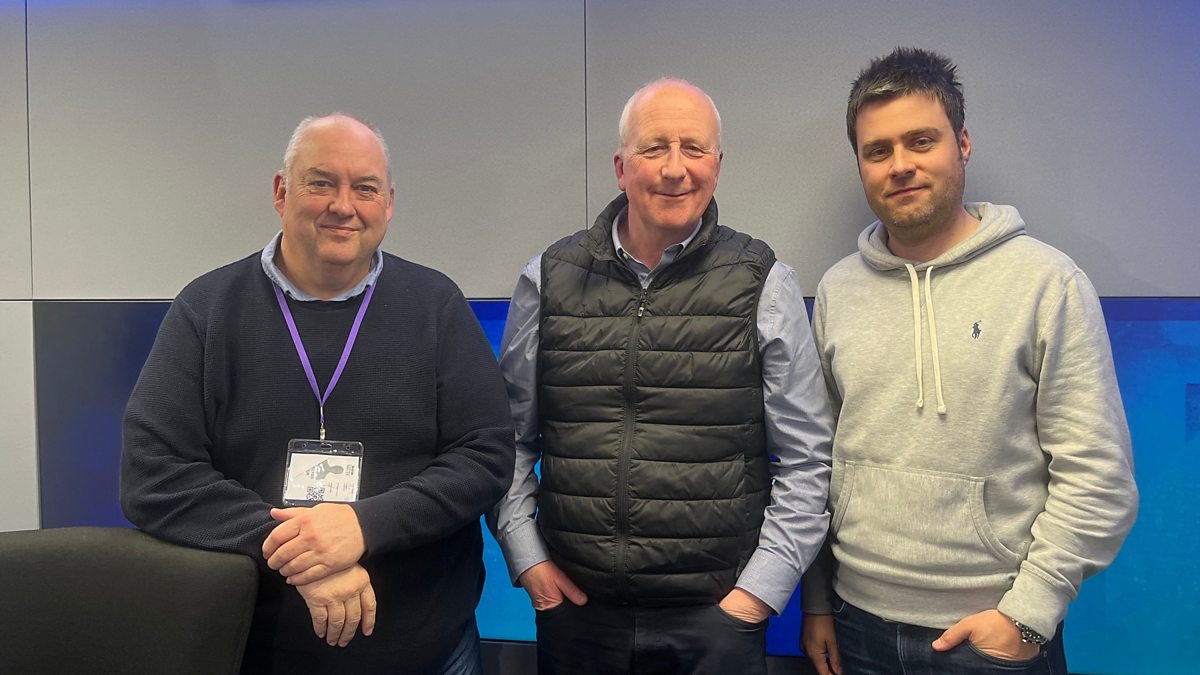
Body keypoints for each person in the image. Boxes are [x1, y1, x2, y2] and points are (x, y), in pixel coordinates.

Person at [121, 113, 514, 674]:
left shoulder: (436, 305)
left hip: (428, 648)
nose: (343, 206)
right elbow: (154, 474)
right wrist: (301, 550)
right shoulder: (207, 310)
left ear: (389, 204)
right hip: (256, 649)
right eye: (321, 183)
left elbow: (486, 454)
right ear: (281, 192)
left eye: (365, 188)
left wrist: (363, 526)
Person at [800, 48, 1138, 675]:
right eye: (878, 151)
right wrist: (817, 602)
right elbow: (815, 463)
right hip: (855, 629)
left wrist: (1027, 616)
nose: (900, 165)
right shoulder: (837, 292)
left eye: (921, 141)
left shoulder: (1046, 283)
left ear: (962, 143)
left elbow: (1099, 477)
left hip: (992, 638)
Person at [488, 78, 834, 674]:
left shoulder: (764, 283)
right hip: (578, 617)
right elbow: (508, 440)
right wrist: (529, 562)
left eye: (693, 148)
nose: (676, 169)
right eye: (654, 149)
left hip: (716, 624)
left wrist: (755, 596)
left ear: (717, 166)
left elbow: (806, 460)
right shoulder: (548, 279)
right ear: (621, 168)